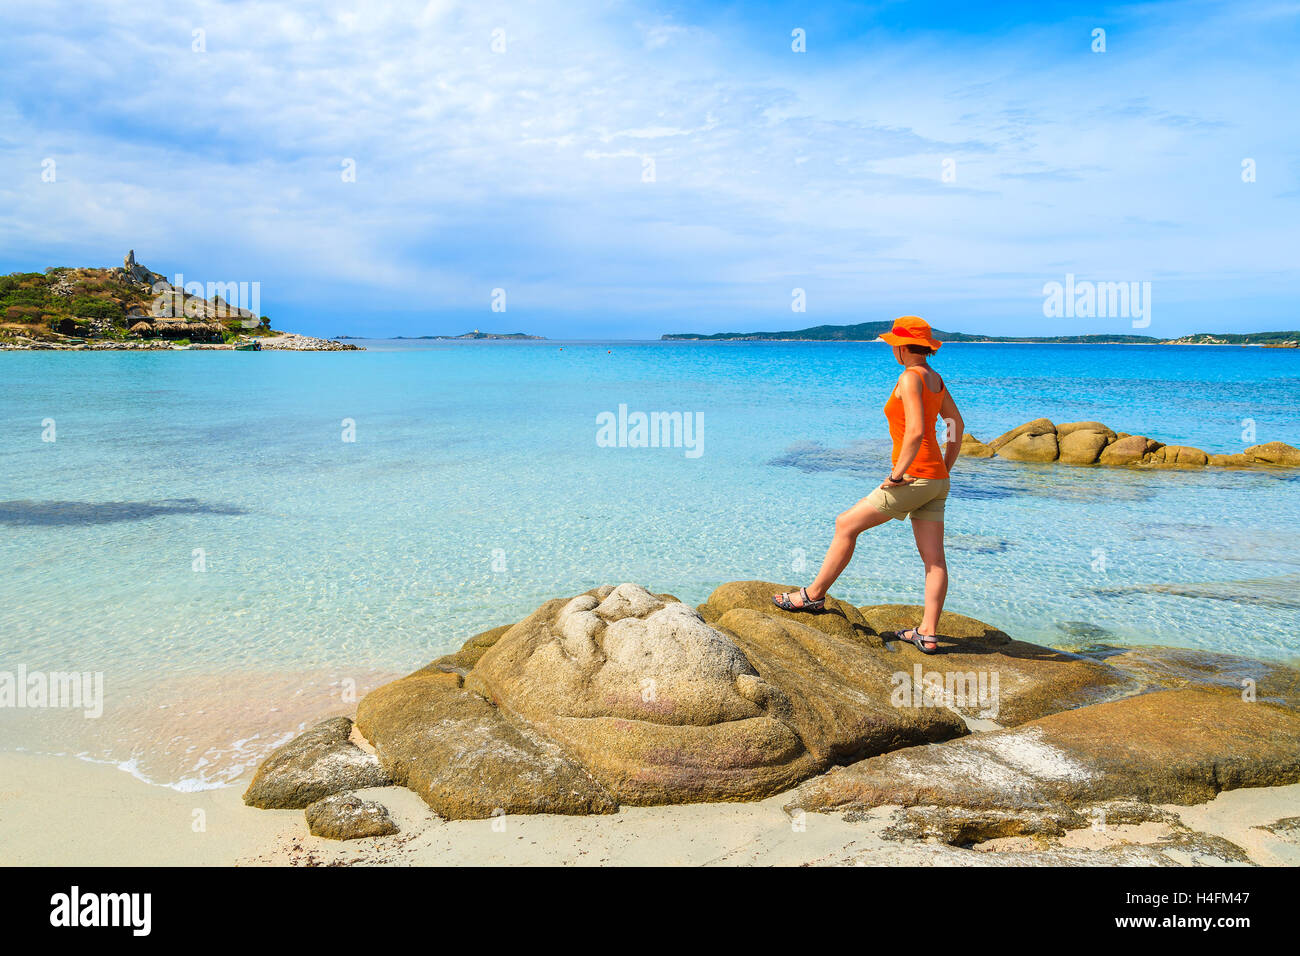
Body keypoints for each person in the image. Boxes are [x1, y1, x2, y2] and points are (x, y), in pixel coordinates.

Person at [772, 316, 964, 653]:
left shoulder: (909, 378)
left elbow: (918, 431)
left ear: (902, 347)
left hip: (913, 477)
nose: (893, 350)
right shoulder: (935, 378)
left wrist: (897, 475)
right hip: (935, 480)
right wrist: (943, 468)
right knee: (934, 560)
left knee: (846, 524)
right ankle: (928, 633)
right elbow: (956, 425)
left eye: (894, 345)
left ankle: (813, 596)